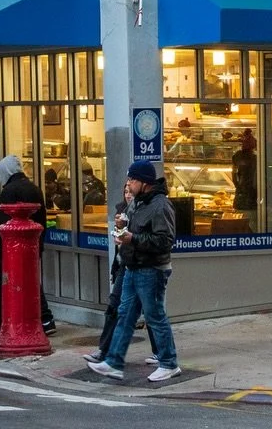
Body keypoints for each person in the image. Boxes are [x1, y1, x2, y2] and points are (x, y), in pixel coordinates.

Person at [87, 161, 180, 382]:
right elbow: (129, 228)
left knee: (155, 316)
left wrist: (133, 238)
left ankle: (169, 363)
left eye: (132, 179)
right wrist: (121, 225)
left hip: (152, 269)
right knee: (125, 315)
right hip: (132, 266)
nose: (128, 184)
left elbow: (165, 240)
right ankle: (114, 363)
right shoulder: (137, 202)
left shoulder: (160, 205)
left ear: (144, 182)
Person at [0, 154, 56, 338]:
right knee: (32, 282)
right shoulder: (35, 188)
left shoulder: (9, 191)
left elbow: (4, 225)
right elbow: (42, 220)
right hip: (32, 244)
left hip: (12, 247)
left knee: (2, 282)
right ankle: (46, 319)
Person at [85, 181, 156, 369]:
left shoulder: (147, 209)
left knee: (152, 312)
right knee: (116, 307)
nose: (128, 194)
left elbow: (157, 239)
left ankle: (163, 356)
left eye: (130, 190)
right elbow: (119, 240)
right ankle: (106, 351)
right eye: (125, 191)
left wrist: (130, 237)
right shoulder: (122, 212)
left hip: (143, 266)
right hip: (125, 265)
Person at [231, 130, 258, 213]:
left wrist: (238, 187)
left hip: (240, 195)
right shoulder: (256, 159)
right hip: (252, 196)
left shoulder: (237, 156)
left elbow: (234, 174)